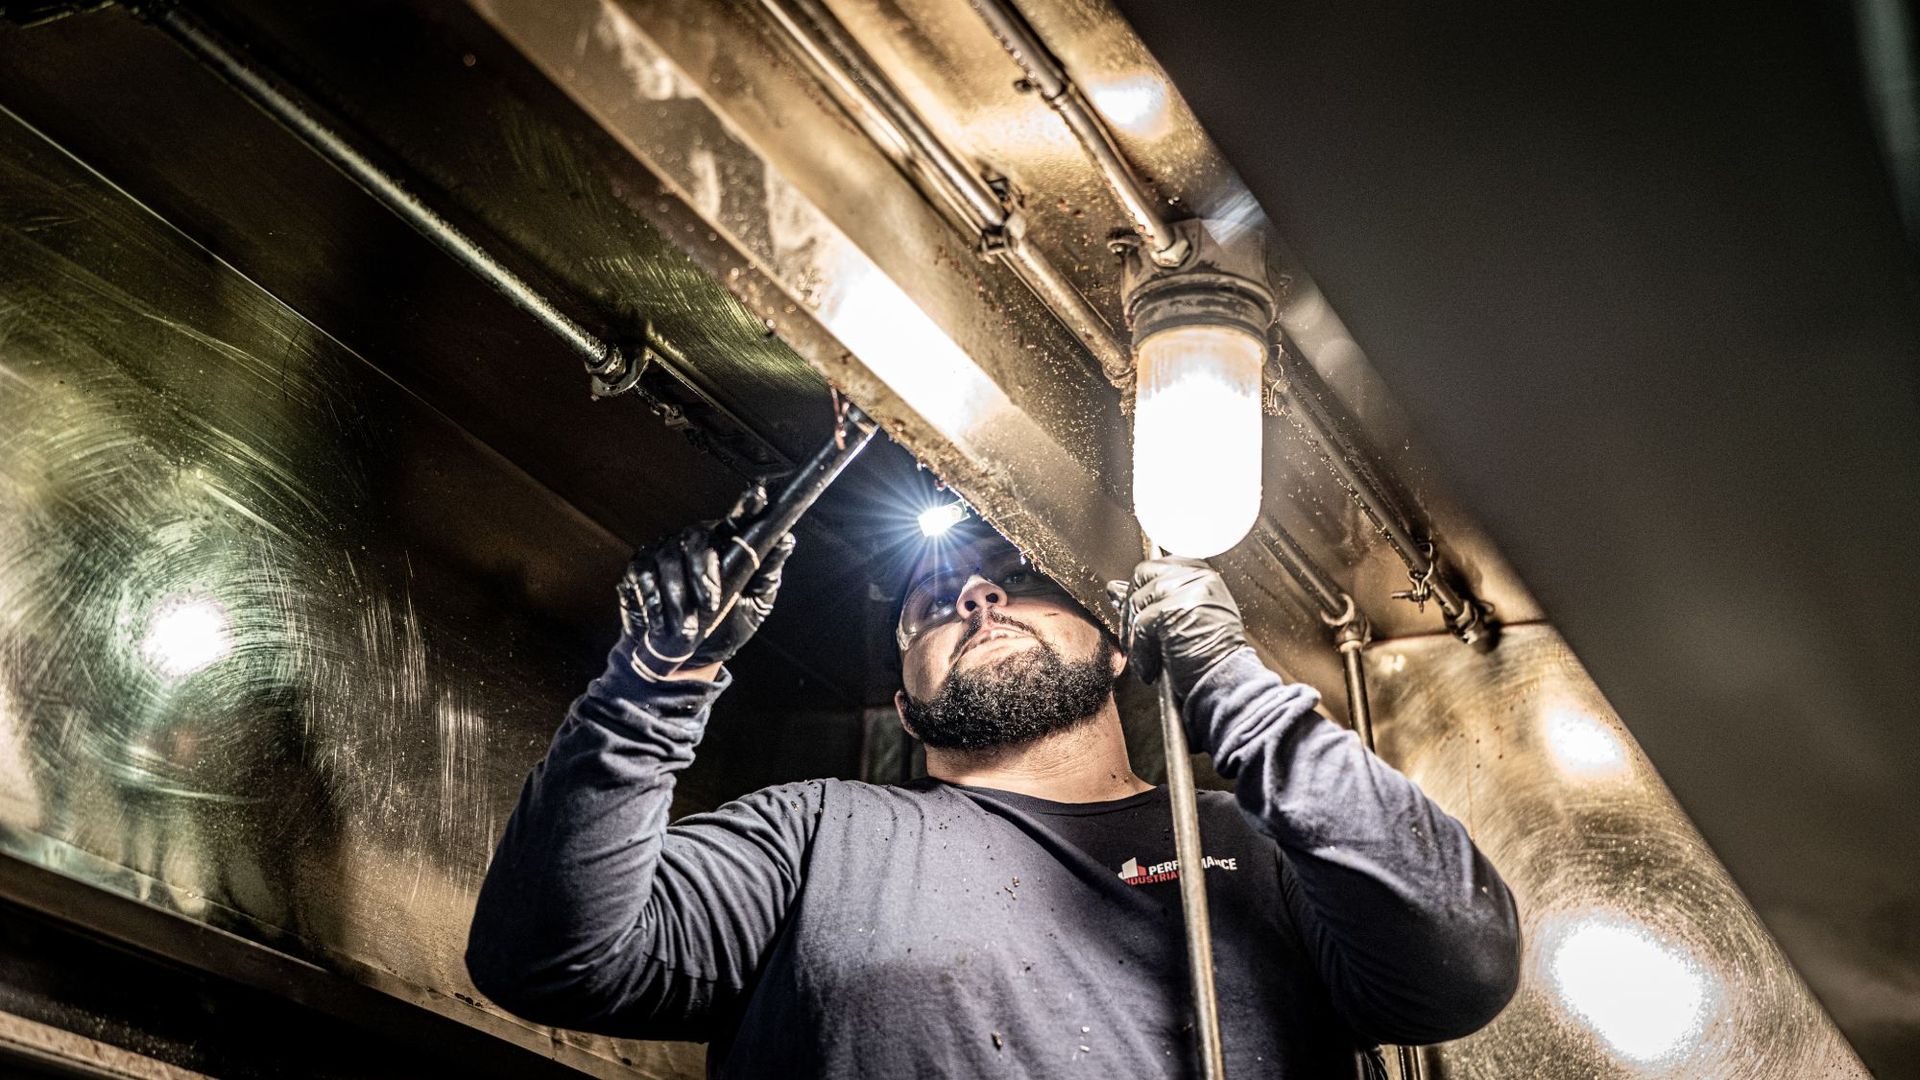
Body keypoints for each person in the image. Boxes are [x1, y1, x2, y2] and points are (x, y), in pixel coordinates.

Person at [465, 498, 1522, 1078]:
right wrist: (655, 679)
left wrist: (1223, 677)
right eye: (928, 607)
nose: (969, 596)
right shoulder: (815, 836)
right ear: (906, 704)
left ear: (1119, 649)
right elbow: (543, 960)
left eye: (1012, 579)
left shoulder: (1259, 850)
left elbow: (1459, 968)